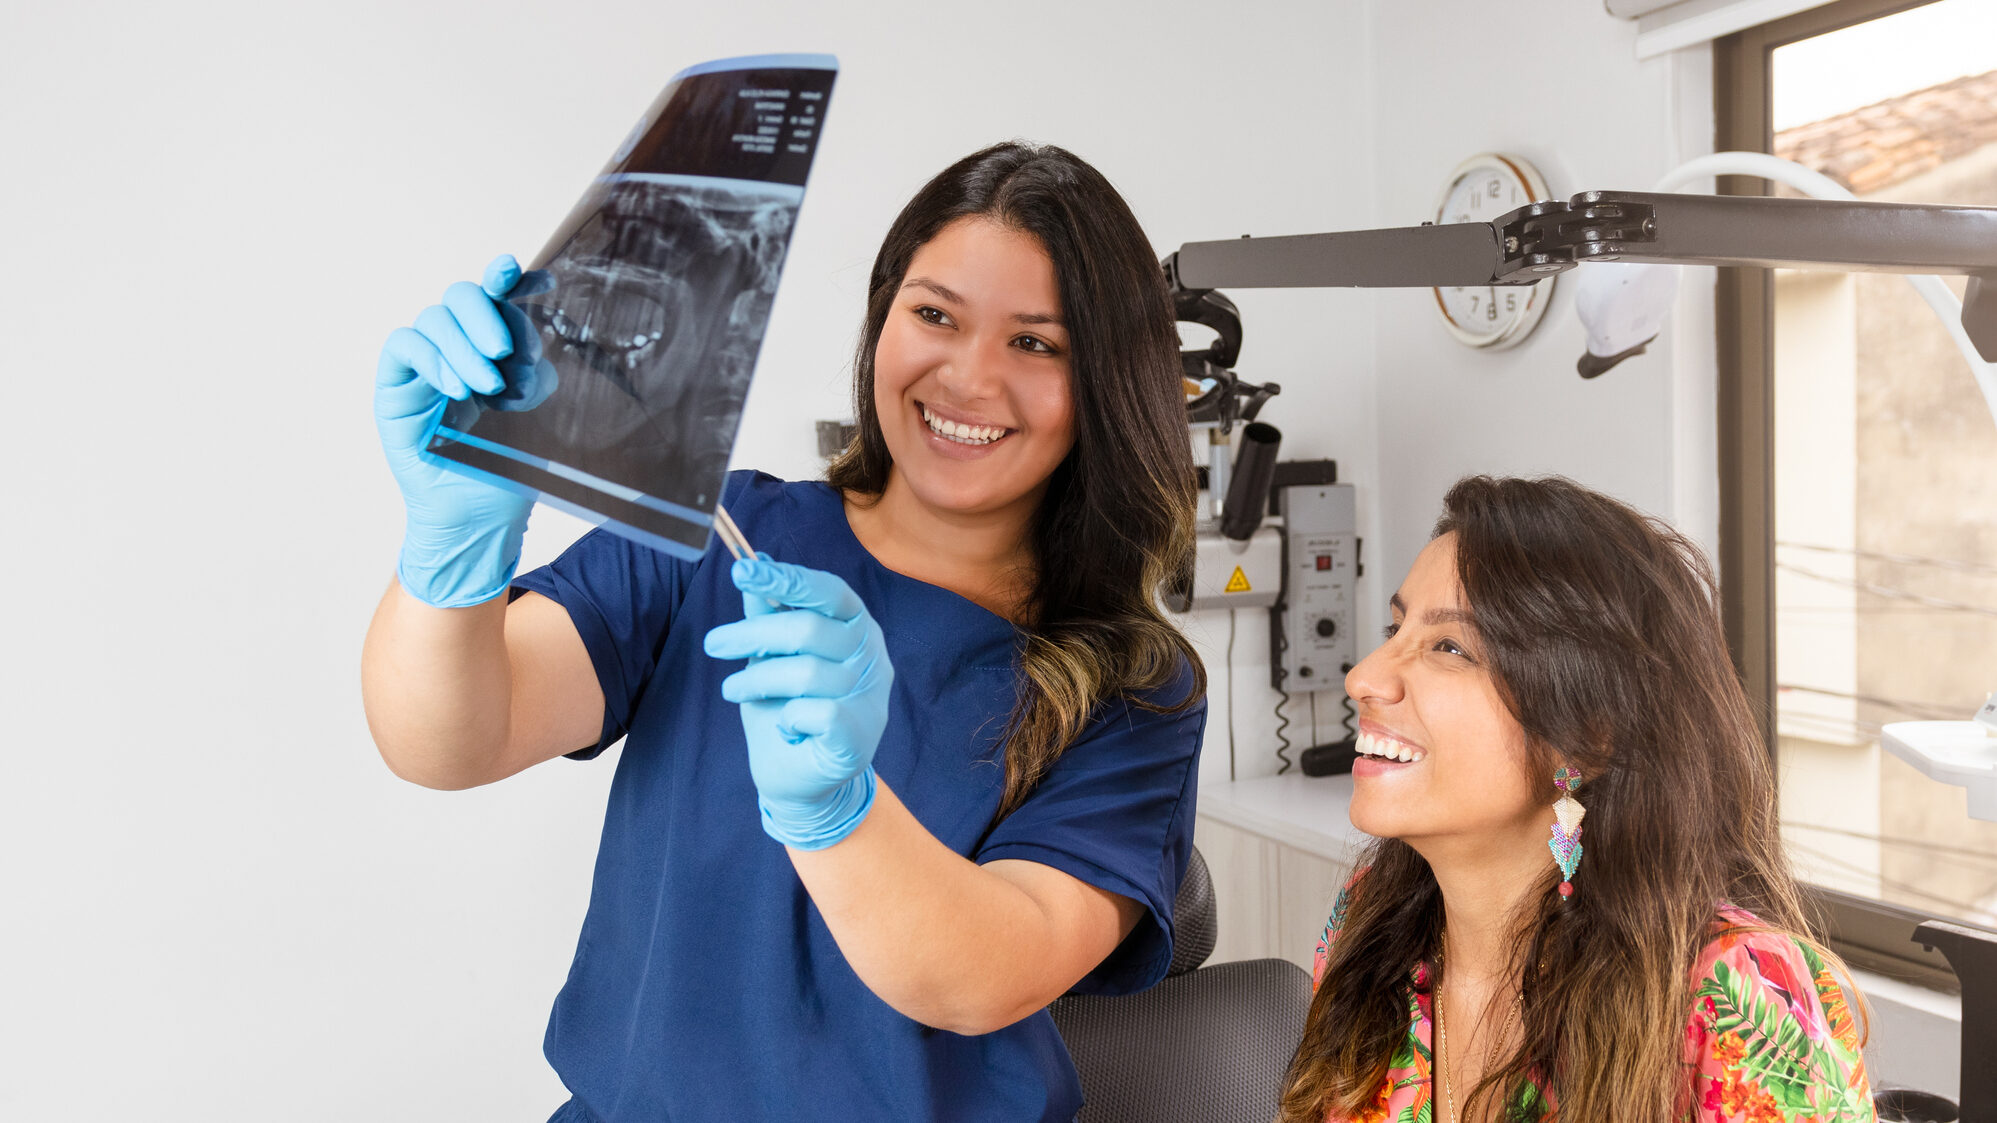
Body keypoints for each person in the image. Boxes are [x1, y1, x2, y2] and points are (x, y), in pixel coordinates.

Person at [360, 142, 1207, 1122]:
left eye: (1036, 343)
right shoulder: (718, 537)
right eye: (934, 314)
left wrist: (840, 811)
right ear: (881, 320)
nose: (970, 376)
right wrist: (449, 555)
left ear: (1105, 381)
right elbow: (452, 739)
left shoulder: (1135, 690)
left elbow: (989, 973)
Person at [1280, 476, 1874, 1123]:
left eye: (1448, 647)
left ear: (1586, 736)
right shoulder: (1370, 921)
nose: (1362, 676)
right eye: (1393, 629)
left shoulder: (1733, 988)